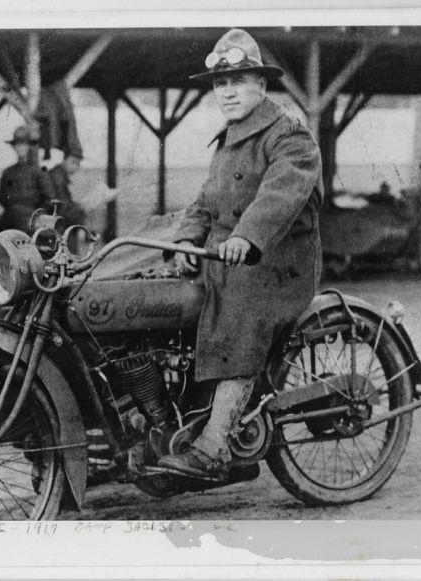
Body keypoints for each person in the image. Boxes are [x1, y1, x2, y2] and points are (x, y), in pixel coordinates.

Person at [158, 29, 324, 480]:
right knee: (163, 298)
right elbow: (205, 200)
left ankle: (214, 446)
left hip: (275, 262)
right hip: (225, 257)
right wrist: (188, 240)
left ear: (261, 86)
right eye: (219, 84)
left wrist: (247, 238)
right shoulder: (230, 137)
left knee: (240, 308)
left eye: (238, 81)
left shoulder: (289, 136)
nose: (227, 91)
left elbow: (279, 197)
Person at [0, 126, 55, 233]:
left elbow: (49, 199)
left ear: (29, 146)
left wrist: (36, 216)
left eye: (23, 144)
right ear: (14, 147)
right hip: (9, 220)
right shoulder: (9, 172)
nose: (20, 148)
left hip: (30, 220)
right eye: (18, 145)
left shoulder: (39, 171)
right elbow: (2, 198)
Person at [45, 147, 87, 228]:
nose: (76, 167)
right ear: (64, 160)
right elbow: (62, 206)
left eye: (78, 164)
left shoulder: (58, 174)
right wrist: (80, 209)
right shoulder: (58, 178)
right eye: (73, 162)